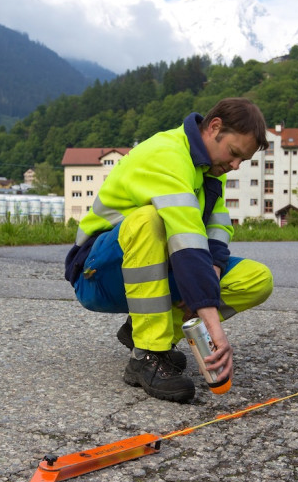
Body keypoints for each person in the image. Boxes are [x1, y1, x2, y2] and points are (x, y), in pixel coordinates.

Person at [64, 98, 274, 403]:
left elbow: (215, 234)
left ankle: (148, 328)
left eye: (242, 160)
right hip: (98, 273)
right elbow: (187, 242)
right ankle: (147, 354)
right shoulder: (167, 154)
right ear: (215, 128)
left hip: (150, 271)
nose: (235, 166)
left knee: (256, 278)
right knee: (150, 220)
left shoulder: (209, 170)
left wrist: (211, 279)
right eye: (234, 154)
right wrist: (215, 331)